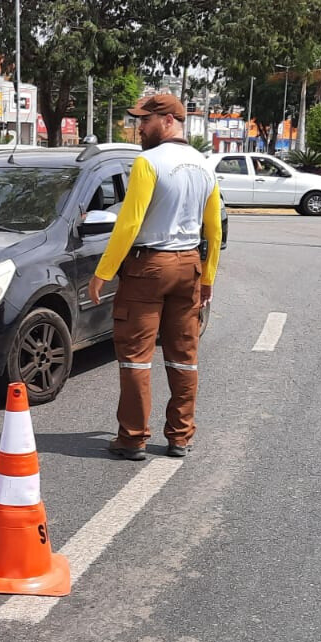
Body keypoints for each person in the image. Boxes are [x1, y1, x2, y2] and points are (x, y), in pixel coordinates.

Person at [88, 93, 222, 460]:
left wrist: (103, 272)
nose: (139, 128)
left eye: (144, 121)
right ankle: (180, 436)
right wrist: (208, 277)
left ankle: (132, 438)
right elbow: (214, 229)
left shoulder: (148, 163)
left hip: (149, 268)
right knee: (184, 356)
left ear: (167, 120)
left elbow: (129, 223)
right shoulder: (204, 165)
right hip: (189, 267)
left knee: (135, 357)